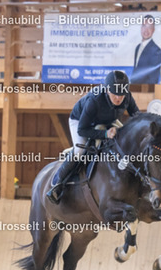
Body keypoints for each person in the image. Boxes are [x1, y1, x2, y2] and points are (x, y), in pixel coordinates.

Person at [46, 70, 140, 204]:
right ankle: (57, 184)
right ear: (107, 90)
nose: (119, 98)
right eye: (115, 94)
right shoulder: (95, 100)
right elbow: (82, 130)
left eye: (121, 95)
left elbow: (137, 118)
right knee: (80, 151)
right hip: (81, 122)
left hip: (108, 121)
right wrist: (105, 134)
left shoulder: (127, 96)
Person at [130, 15, 161, 84]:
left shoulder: (156, 51)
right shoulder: (138, 47)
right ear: (141, 28)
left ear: (153, 30)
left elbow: (153, 79)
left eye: (149, 27)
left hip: (145, 89)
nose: (146, 30)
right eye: (144, 26)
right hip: (134, 87)